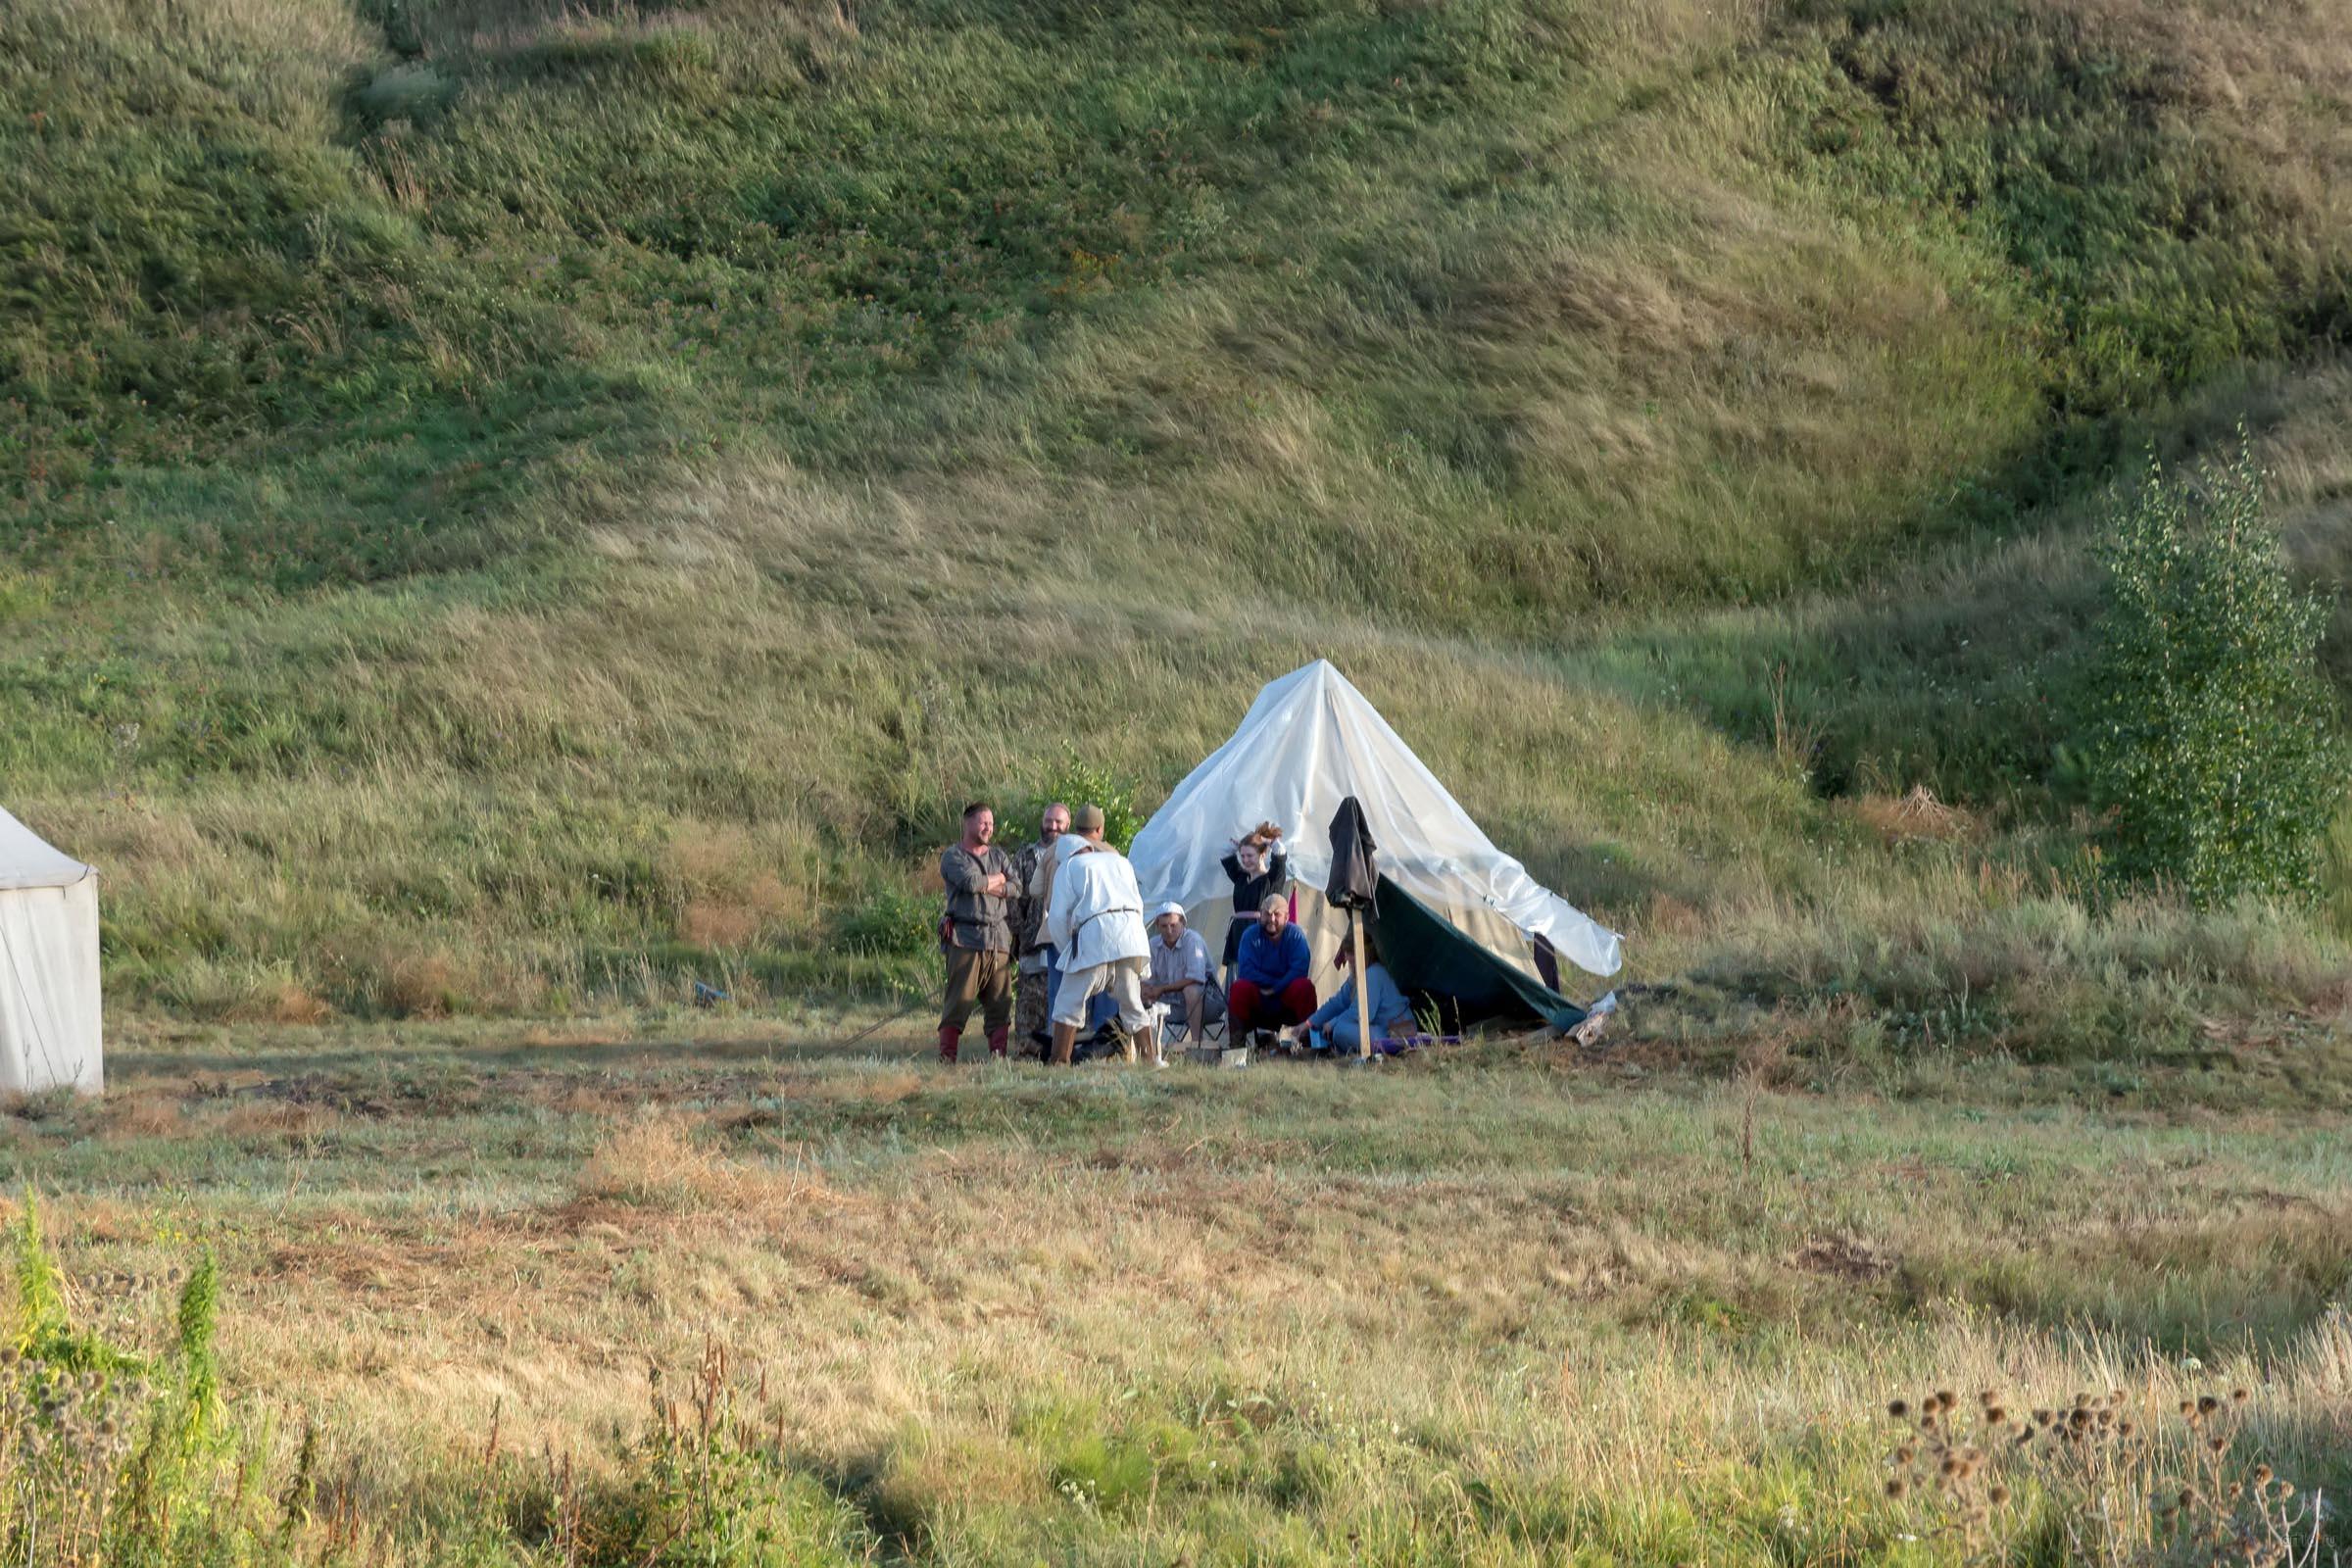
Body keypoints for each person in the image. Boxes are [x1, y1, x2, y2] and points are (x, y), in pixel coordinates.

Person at [1044, 806, 1158, 1067]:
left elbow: (1058, 917)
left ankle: (1059, 1061)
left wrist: (1067, 952)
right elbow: (1139, 904)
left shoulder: (1069, 867)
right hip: (1131, 936)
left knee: (1068, 1001)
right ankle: (1149, 1061)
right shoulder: (1120, 861)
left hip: (1095, 936)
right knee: (1131, 1000)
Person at [937, 802, 1013, 1063]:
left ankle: (998, 1059)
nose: (988, 828)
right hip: (966, 939)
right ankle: (947, 1059)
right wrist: (999, 879)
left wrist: (993, 885)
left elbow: (1017, 887)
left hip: (998, 939)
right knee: (959, 1002)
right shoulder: (953, 856)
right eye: (983, 822)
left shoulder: (999, 856)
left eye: (991, 823)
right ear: (967, 823)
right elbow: (970, 883)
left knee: (1000, 1003)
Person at [1009, 803, 1070, 1057]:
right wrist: (1020, 933)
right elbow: (1014, 899)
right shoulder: (1025, 856)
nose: (1053, 827)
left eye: (1058, 822)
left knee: (1061, 1000)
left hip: (1064, 943)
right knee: (1029, 1002)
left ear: (1068, 826)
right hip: (1032, 942)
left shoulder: (1074, 855)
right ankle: (1027, 1051)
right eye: (1049, 821)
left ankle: (1059, 1050)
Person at [1305, 931, 1413, 1054]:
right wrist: (1310, 1023)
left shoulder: (1373, 974)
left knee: (1340, 1030)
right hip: (1382, 1029)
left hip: (1397, 1032)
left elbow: (1363, 1013)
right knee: (1337, 1027)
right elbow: (1339, 1001)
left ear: (1365, 952)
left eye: (1351, 953)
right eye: (1346, 953)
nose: (1346, 958)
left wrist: (1333, 1023)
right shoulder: (1357, 976)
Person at [1227, 893, 1315, 1040]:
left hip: (1286, 994)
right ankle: (1236, 1046)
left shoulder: (1296, 935)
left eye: (1276, 914)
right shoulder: (1250, 935)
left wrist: (1277, 987)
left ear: (1286, 917)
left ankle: (1307, 1042)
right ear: (1260, 915)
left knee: (1304, 987)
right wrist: (1271, 985)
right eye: (1267, 914)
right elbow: (1246, 971)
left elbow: (1300, 970)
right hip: (1260, 994)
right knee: (1239, 988)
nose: (1271, 919)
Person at [1144, 903, 1222, 1046]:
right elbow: (1147, 978)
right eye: (1164, 926)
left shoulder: (1192, 940)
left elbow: (1195, 978)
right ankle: (1145, 1047)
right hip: (1172, 1005)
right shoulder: (1153, 945)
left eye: (1173, 925)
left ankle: (1196, 1043)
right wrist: (1145, 989)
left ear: (1183, 923)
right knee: (1137, 991)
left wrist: (1161, 989)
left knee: (1192, 990)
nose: (1169, 930)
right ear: (1157, 926)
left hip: (1207, 1004)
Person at [1218, 823, 1288, 975]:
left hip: (1260, 934)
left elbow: (1280, 854)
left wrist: (1266, 841)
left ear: (1262, 855)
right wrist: (1239, 845)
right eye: (1242, 856)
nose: (1245, 860)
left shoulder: (1272, 879)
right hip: (1238, 935)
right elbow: (1224, 853)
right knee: (1237, 980)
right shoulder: (1240, 878)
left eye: (1250, 856)